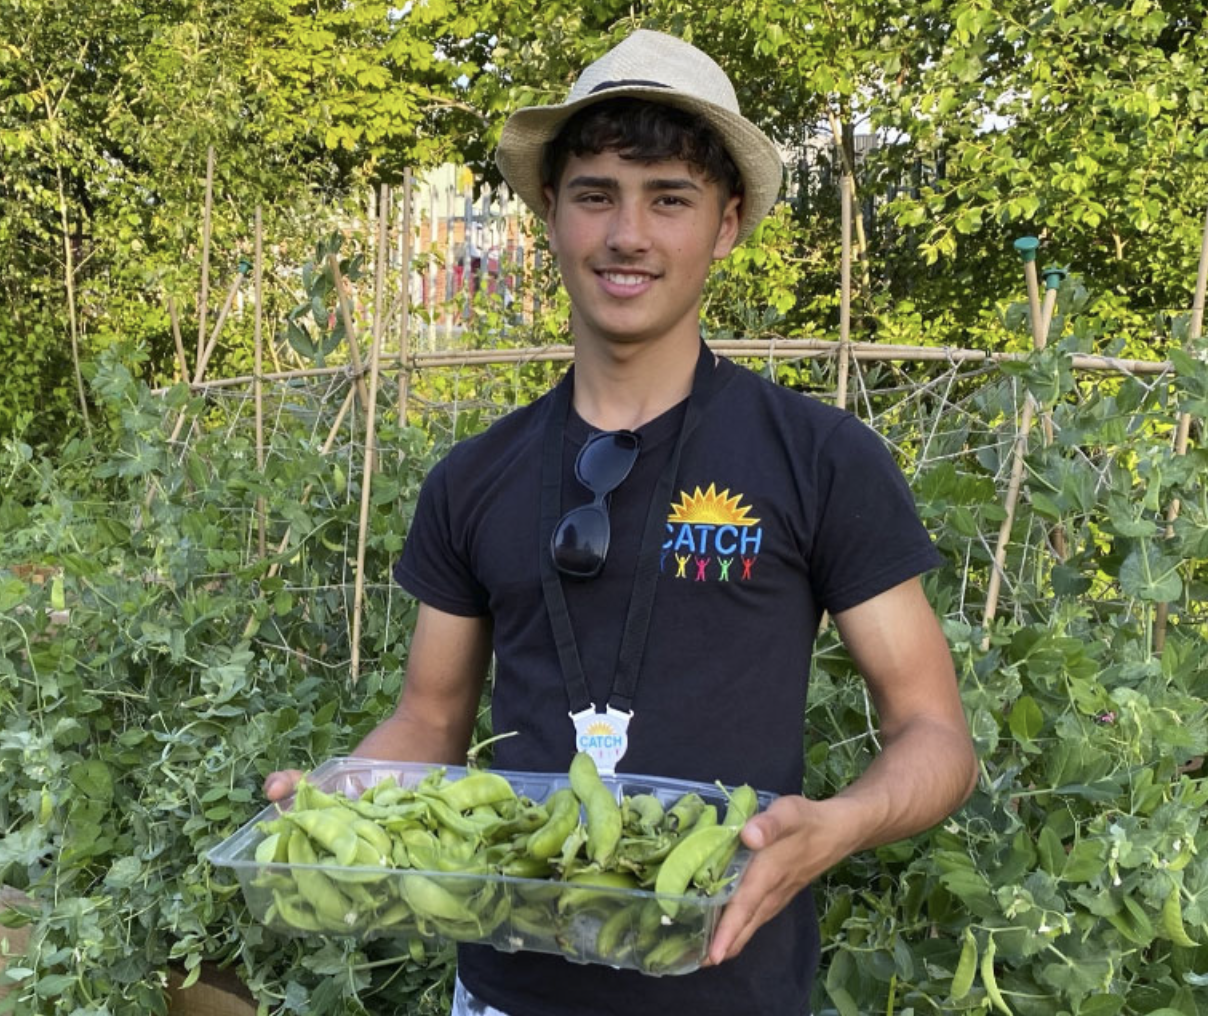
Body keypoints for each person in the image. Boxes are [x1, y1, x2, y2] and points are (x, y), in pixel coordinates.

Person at [265, 28, 977, 1016]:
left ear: (726, 224)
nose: (627, 234)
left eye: (668, 199)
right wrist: (338, 796)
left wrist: (841, 823)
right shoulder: (474, 478)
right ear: (549, 213)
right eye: (595, 194)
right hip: (506, 994)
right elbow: (429, 719)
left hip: (731, 992)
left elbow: (934, 733)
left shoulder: (817, 458)